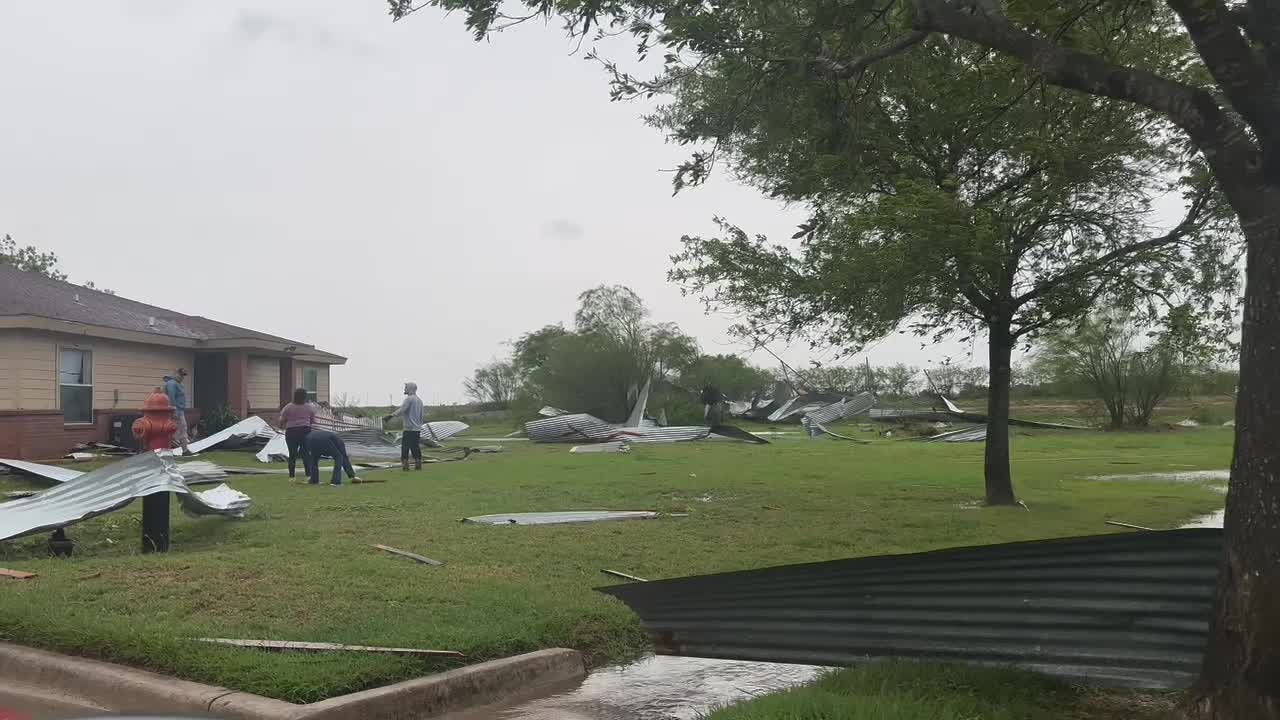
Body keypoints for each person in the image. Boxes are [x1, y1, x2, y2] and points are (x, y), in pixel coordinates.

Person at [384, 381, 431, 471]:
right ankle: (418, 464)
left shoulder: (409, 399)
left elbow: (402, 409)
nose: (404, 389)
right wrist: (419, 425)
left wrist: (390, 416)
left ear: (410, 389)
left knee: (405, 446)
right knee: (415, 446)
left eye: (406, 388)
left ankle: (405, 465)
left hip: (409, 428)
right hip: (417, 428)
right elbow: (421, 415)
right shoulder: (419, 400)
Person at [278, 387, 318, 479]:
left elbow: (282, 420)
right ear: (305, 396)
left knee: (292, 454)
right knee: (305, 454)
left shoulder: (288, 407)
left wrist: (280, 426)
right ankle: (308, 475)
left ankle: (292, 477)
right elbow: (312, 420)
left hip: (291, 432)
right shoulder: (309, 407)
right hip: (305, 431)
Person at [162, 369, 193, 456]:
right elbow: (171, 397)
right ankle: (184, 450)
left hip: (176, 411)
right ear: (175, 374)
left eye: (183, 375)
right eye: (180, 375)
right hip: (176, 411)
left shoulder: (174, 383)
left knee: (175, 431)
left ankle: (173, 450)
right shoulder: (172, 384)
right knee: (181, 430)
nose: (182, 377)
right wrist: (174, 409)